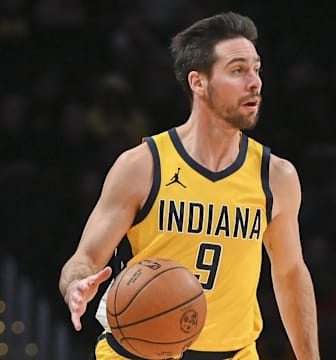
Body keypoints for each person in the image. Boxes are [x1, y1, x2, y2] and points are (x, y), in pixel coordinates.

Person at [59, 11, 320, 360]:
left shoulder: (276, 176)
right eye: (238, 70)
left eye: (257, 69)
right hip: (138, 351)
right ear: (198, 82)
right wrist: (76, 284)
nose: (255, 82)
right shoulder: (143, 165)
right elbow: (86, 258)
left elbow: (289, 273)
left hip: (234, 353)